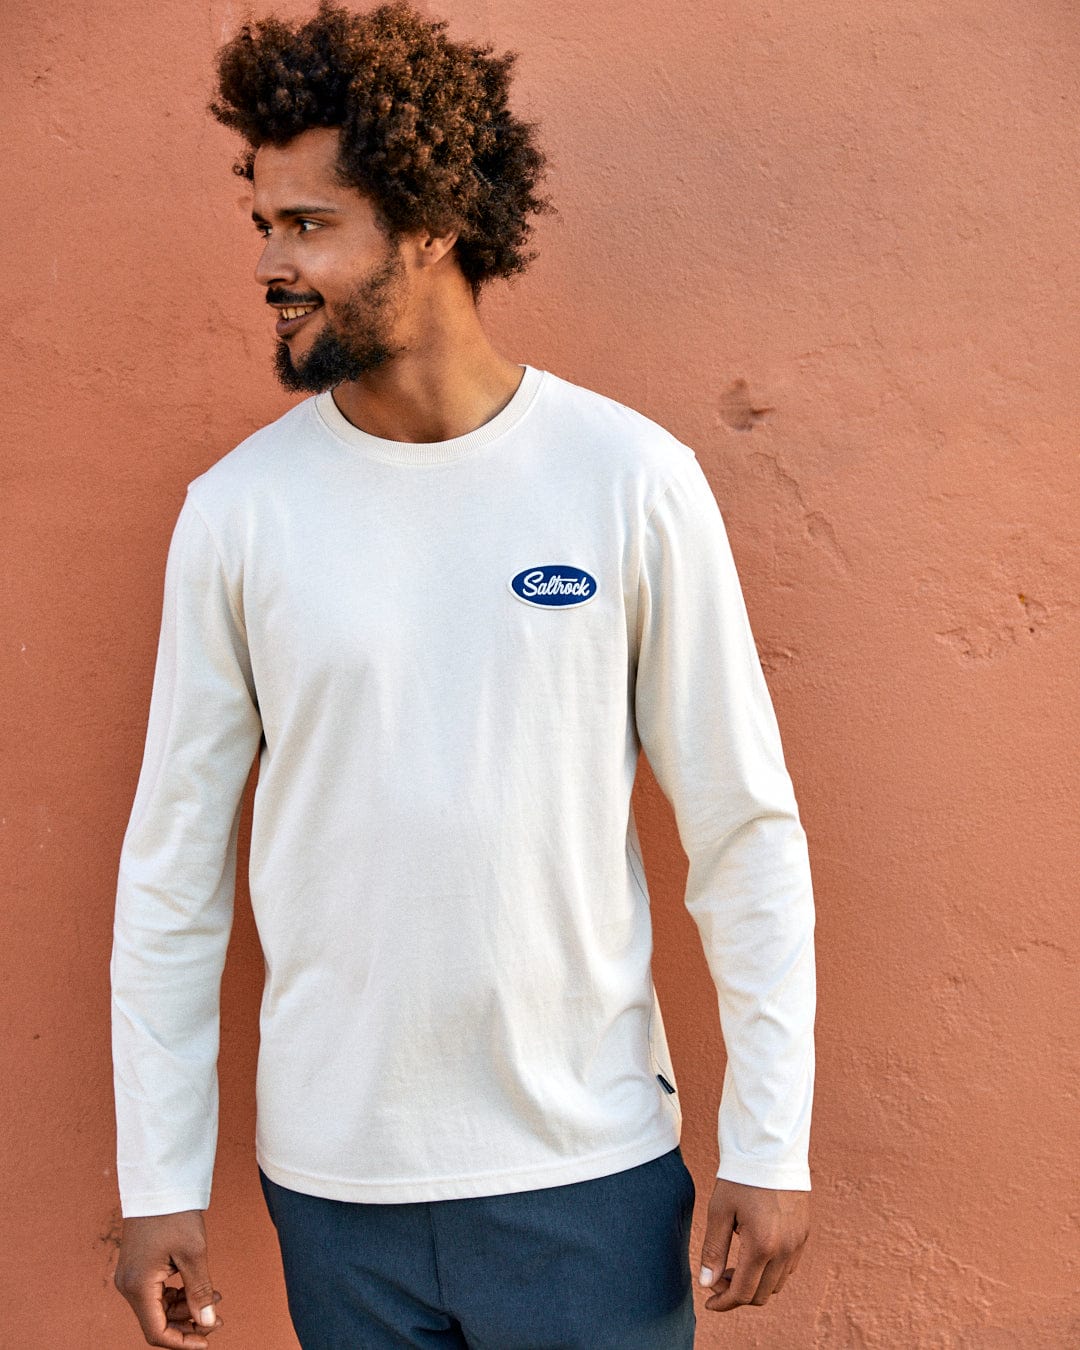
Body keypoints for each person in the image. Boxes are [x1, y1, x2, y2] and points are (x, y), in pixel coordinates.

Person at [109, 3, 817, 1346]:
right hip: (334, 1186)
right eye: (262, 224)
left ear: (428, 223)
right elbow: (173, 867)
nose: (273, 260)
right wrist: (158, 1178)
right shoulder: (238, 513)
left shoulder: (629, 483)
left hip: (587, 1175)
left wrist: (770, 1134)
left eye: (308, 224)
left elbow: (746, 833)